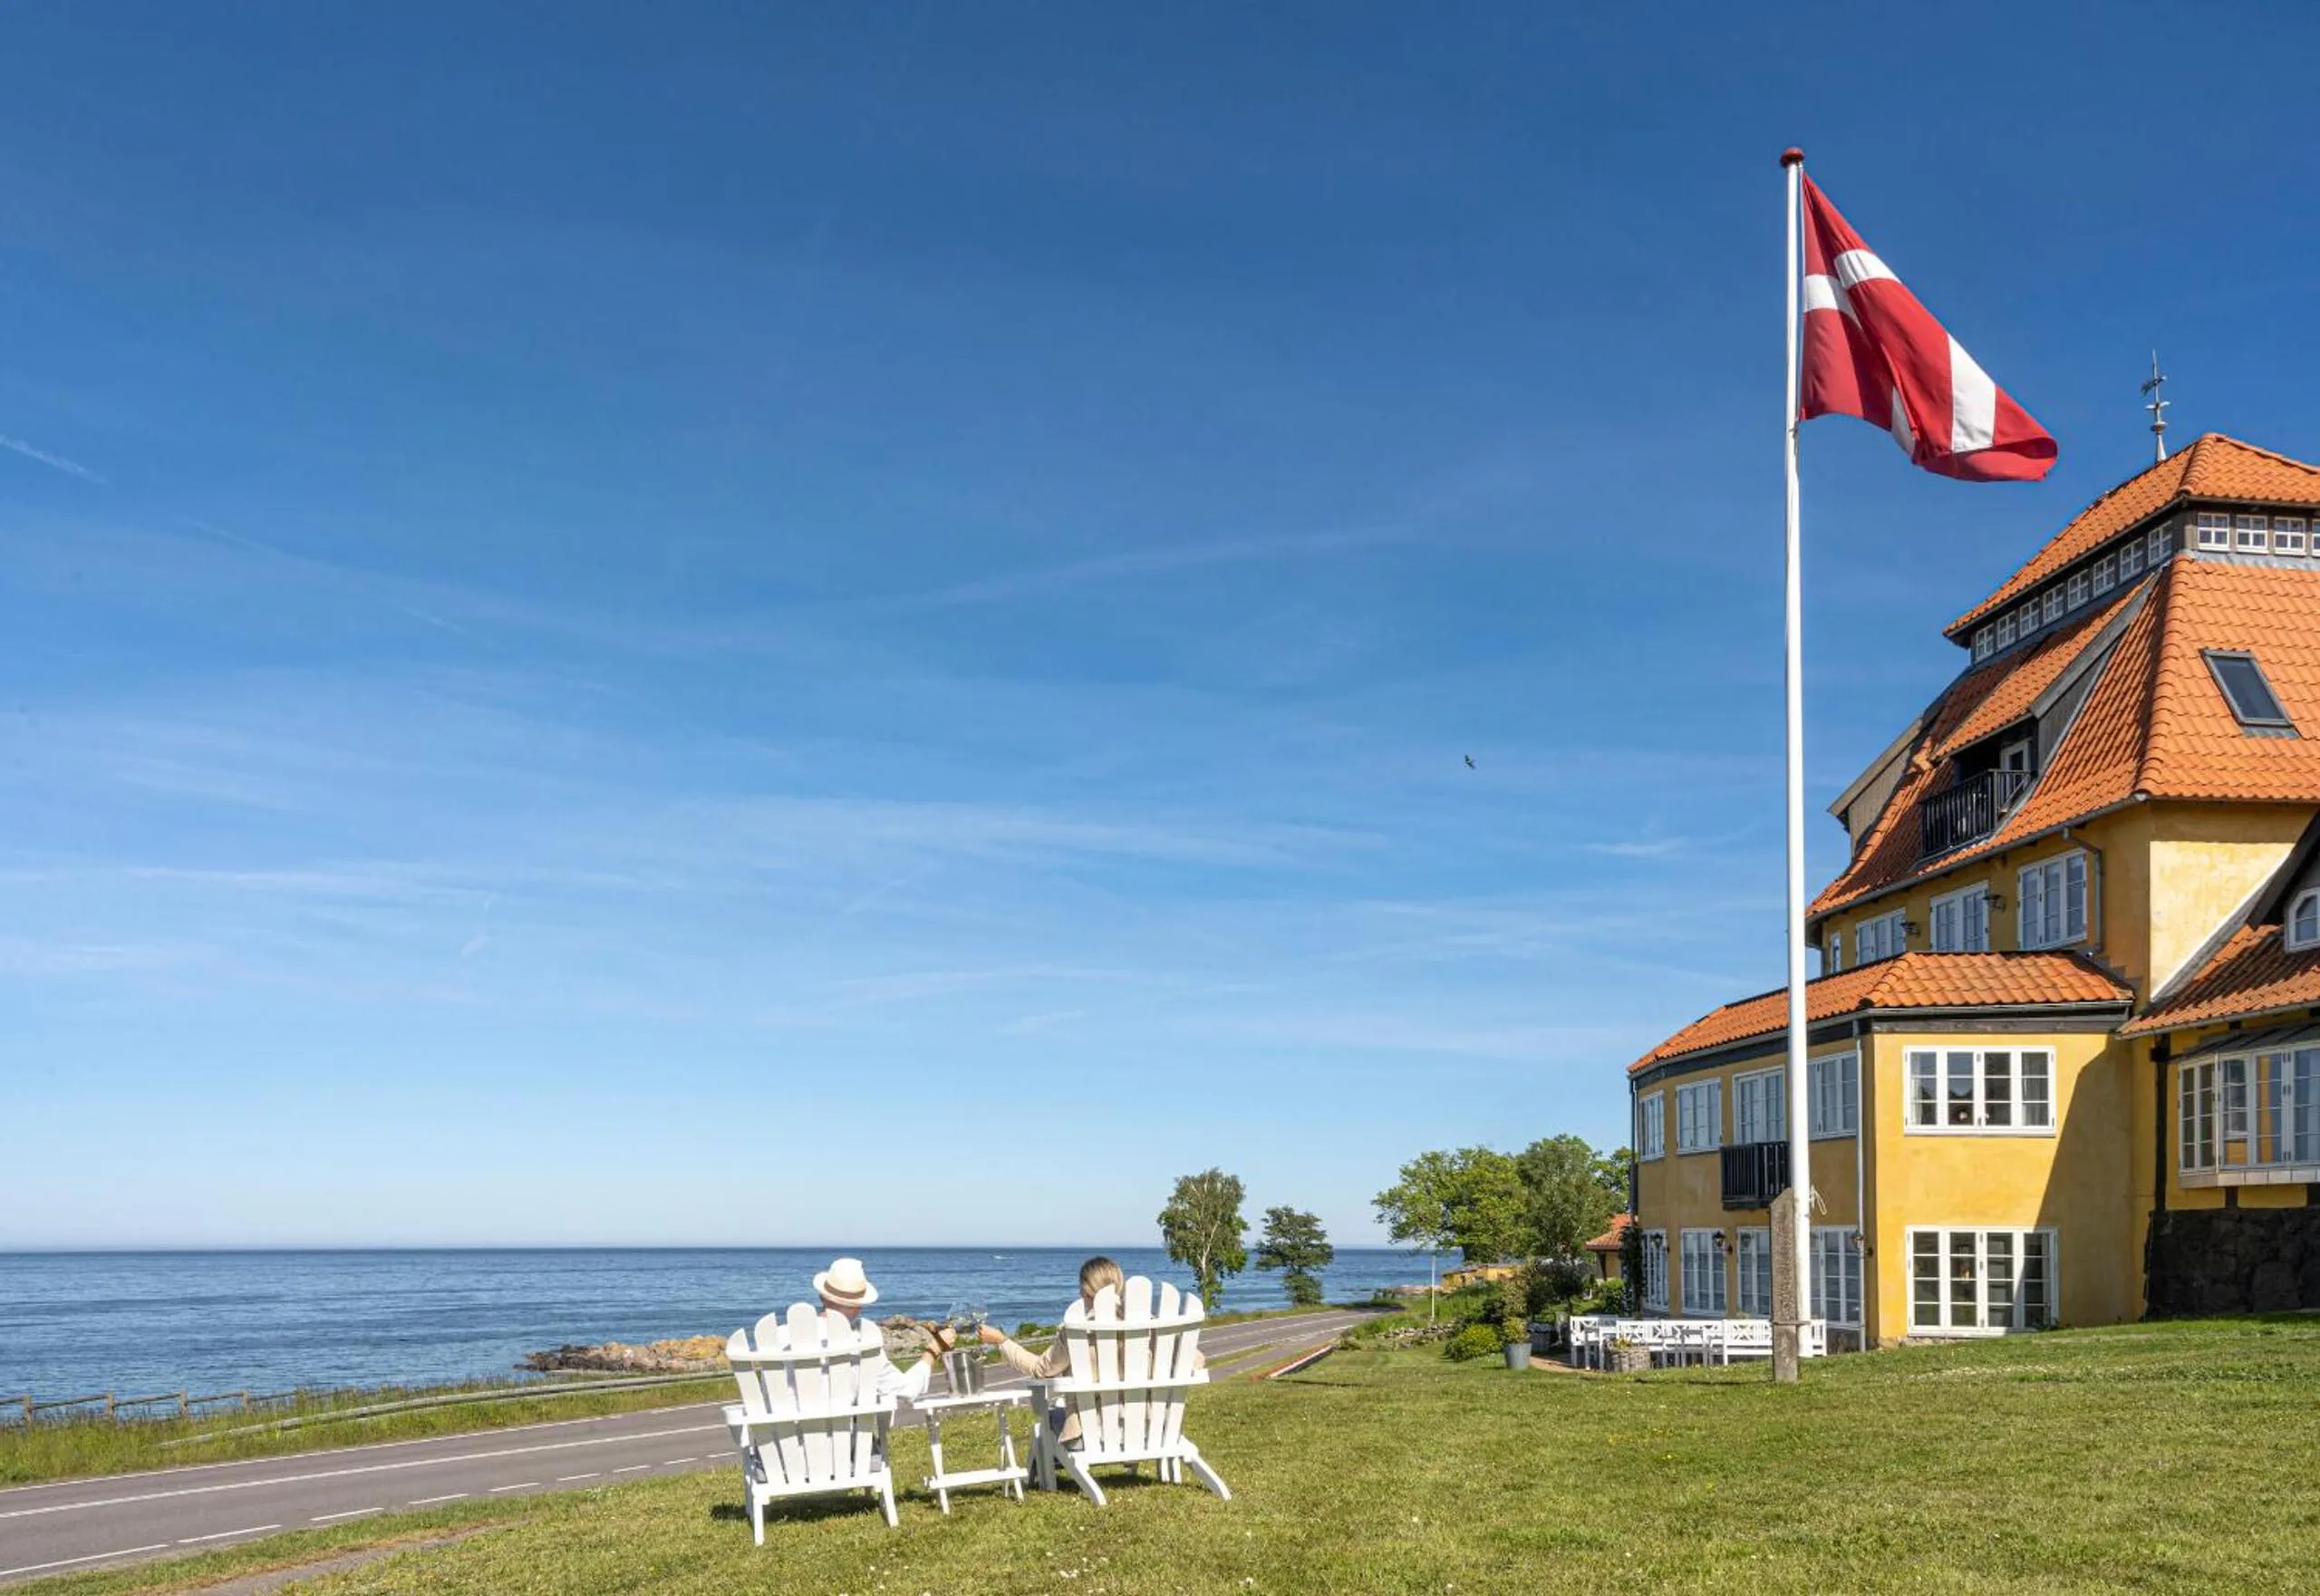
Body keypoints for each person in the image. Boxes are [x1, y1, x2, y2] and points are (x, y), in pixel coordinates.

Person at [977, 1255, 1204, 1446]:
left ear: (1086, 1292)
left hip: (1092, 1435)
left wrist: (1002, 1341)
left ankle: (1046, 1475)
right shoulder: (1153, 1327)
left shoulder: (1076, 1332)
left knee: (1048, 1422)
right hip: (1152, 1430)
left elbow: (1040, 1370)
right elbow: (1196, 1360)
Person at [812, 1256, 956, 1402]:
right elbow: (907, 1389)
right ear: (858, 1306)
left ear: (822, 1297)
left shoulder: (789, 1337)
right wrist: (933, 1350)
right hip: (851, 1425)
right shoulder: (863, 1341)